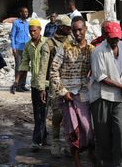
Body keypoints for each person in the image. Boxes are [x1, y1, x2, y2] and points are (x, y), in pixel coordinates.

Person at [50, 16, 95, 166]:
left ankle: (90, 154)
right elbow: (53, 70)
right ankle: (76, 161)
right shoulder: (65, 47)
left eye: (80, 30)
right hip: (67, 95)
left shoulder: (91, 50)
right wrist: (63, 91)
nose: (77, 33)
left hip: (84, 95)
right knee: (72, 130)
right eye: (74, 30)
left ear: (85, 29)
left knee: (87, 128)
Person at [89, 21, 122, 167]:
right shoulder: (98, 51)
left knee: (119, 130)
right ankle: (105, 163)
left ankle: (120, 163)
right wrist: (120, 86)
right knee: (103, 134)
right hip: (102, 96)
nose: (115, 41)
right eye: (112, 38)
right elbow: (101, 77)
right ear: (105, 35)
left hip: (119, 97)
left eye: (117, 38)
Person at [41, 15, 73, 157]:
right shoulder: (49, 44)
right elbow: (43, 68)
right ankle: (55, 141)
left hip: (71, 82)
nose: (70, 29)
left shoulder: (71, 41)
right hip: (55, 82)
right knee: (58, 114)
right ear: (60, 27)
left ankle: (69, 143)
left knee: (70, 115)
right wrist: (42, 87)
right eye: (67, 27)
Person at [19, 19, 48, 148]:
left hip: (46, 84)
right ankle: (44, 137)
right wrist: (18, 80)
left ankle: (36, 141)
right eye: (30, 31)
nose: (32, 33)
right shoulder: (28, 45)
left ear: (40, 30)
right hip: (34, 84)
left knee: (42, 113)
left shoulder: (47, 43)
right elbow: (25, 62)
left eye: (34, 30)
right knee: (38, 112)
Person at [10, 7, 30, 93]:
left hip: (26, 49)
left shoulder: (27, 23)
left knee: (25, 66)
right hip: (18, 48)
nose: (26, 13)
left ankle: (22, 85)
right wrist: (13, 47)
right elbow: (12, 36)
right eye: (24, 12)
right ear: (20, 13)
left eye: (27, 12)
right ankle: (17, 85)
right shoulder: (16, 23)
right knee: (18, 67)